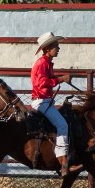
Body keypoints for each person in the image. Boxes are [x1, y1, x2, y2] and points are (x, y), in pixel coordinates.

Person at [31, 31, 75, 175]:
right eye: (56, 46)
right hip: (41, 102)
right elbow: (42, 83)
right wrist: (61, 79)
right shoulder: (42, 63)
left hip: (44, 101)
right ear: (48, 49)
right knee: (62, 124)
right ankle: (63, 161)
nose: (58, 48)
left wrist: (60, 78)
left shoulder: (46, 63)